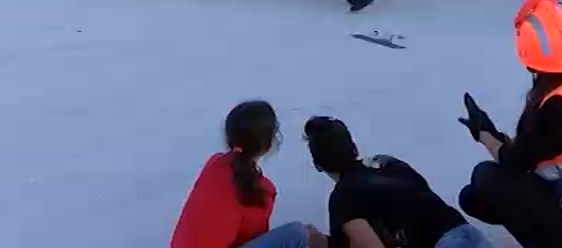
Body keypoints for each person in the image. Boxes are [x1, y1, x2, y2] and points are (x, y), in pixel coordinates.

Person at [456, 0, 562, 248]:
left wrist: (484, 133)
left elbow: (513, 162)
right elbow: (536, 149)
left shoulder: (557, 108)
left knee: (483, 181)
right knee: (487, 186)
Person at [302, 116, 492, 248]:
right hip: (468, 234)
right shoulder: (389, 162)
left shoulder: (343, 196)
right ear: (354, 148)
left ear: (317, 165)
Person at [171, 101, 327, 248]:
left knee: (303, 234)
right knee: (297, 234)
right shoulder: (259, 189)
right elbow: (253, 238)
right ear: (270, 142)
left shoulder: (214, 164)